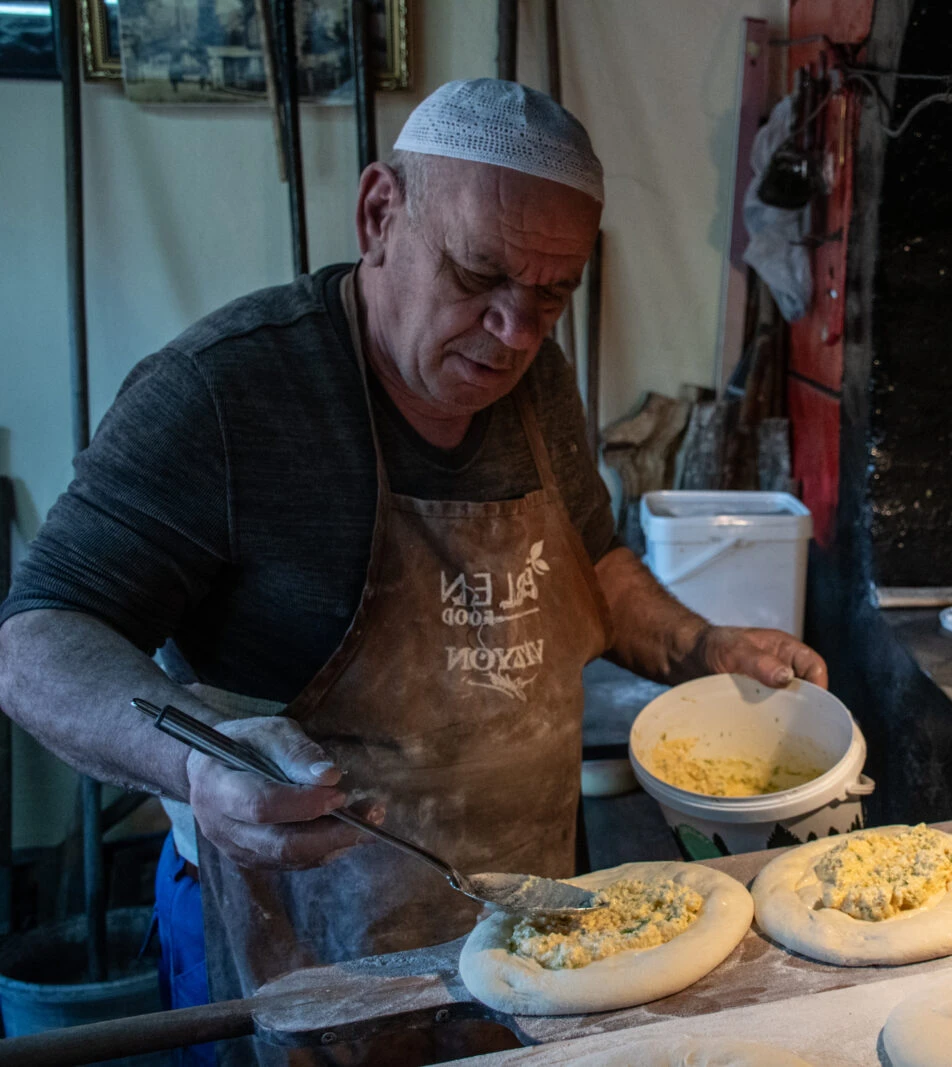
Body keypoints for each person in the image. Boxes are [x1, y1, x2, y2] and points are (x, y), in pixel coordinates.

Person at [0, 79, 826, 1065]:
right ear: (380, 213)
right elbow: (36, 640)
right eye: (478, 276)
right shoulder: (226, 393)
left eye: (551, 295)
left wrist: (706, 644)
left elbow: (593, 567)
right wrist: (195, 759)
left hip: (524, 927)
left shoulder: (536, 381)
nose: (515, 332)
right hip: (308, 950)